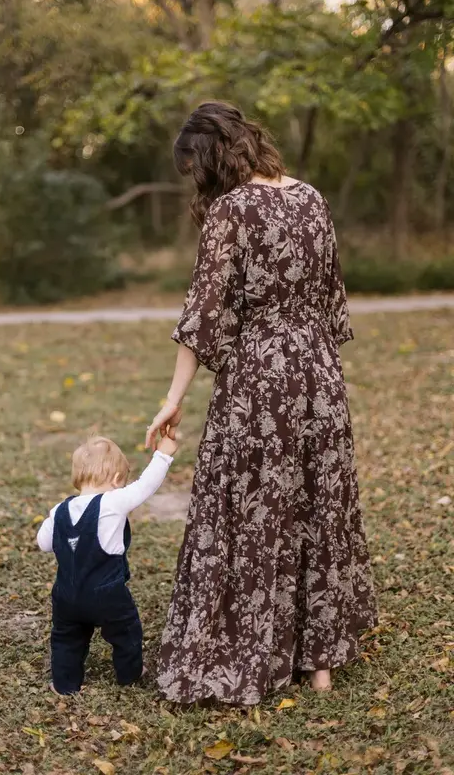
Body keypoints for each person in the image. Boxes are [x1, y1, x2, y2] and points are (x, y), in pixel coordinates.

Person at [146, 101, 377, 705]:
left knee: (253, 508)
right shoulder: (312, 198)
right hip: (320, 374)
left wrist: (172, 400)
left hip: (259, 382)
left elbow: (203, 315)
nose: (197, 180)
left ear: (213, 155)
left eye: (195, 168)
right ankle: (320, 665)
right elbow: (332, 301)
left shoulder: (230, 210)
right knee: (316, 504)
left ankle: (256, 647)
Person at [37, 434, 177, 694]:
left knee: (66, 637)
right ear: (116, 479)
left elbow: (43, 543)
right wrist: (163, 455)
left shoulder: (59, 511)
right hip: (107, 594)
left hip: (66, 596)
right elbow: (145, 486)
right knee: (126, 631)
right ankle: (130, 672)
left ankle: (64, 684)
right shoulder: (113, 502)